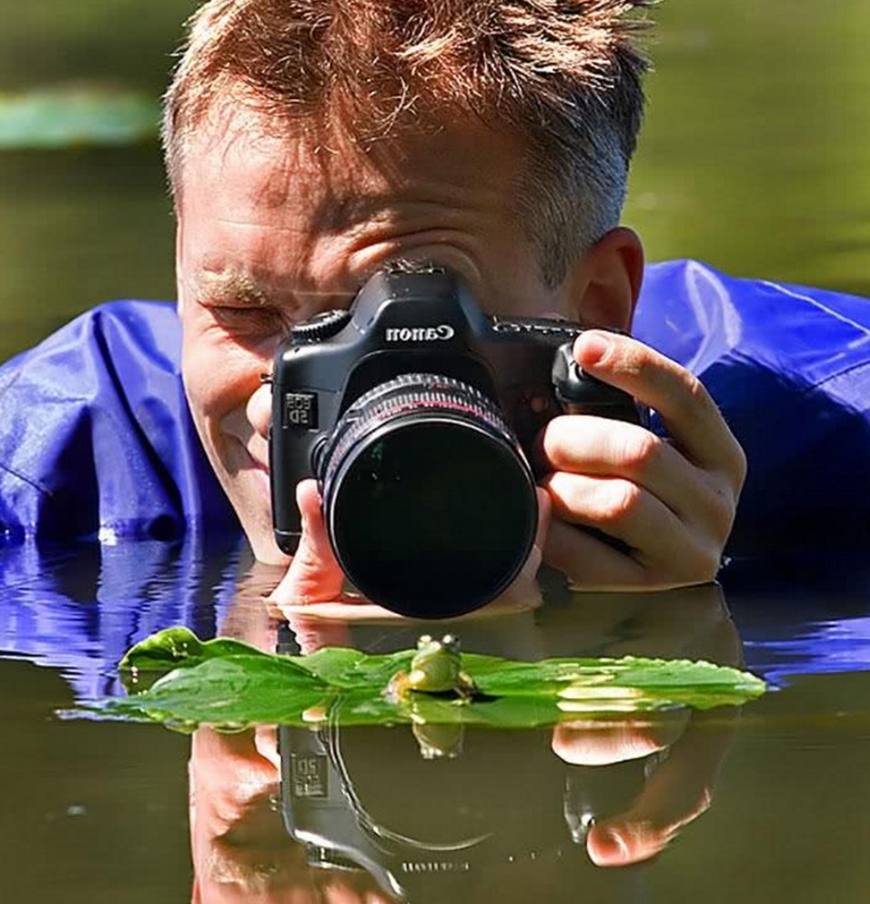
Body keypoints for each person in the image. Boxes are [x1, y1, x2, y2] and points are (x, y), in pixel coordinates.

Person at [1, 0, 868, 606]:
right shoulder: (45, 479)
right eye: (244, 313)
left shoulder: (839, 438)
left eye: (395, 321)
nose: (279, 402)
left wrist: (667, 625)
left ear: (597, 306)